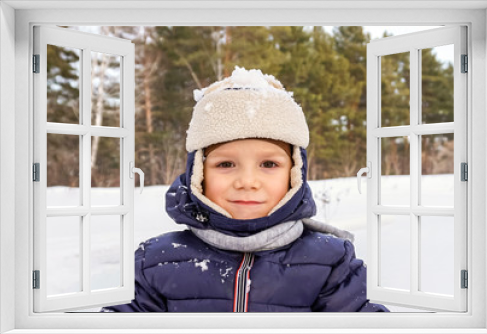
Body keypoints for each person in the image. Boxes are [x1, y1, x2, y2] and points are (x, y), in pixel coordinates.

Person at [102, 67, 388, 312]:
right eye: (226, 164)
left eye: (268, 164)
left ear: (295, 173)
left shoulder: (329, 262)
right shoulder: (158, 260)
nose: (247, 181)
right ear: (198, 174)